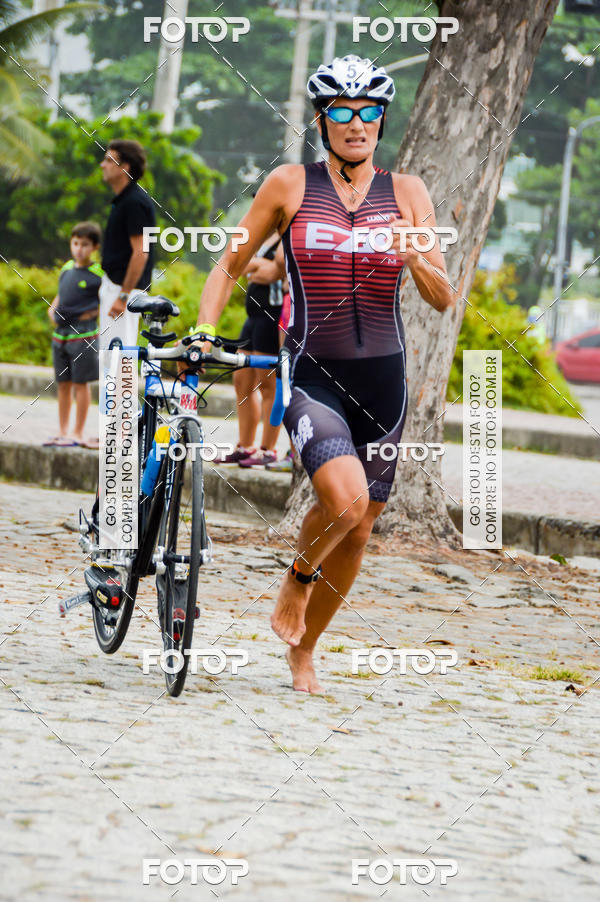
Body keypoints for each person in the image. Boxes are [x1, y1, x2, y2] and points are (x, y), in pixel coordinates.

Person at [192, 55, 455, 692]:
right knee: (344, 500)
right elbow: (229, 264)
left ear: (381, 120)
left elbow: (444, 296)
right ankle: (297, 577)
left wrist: (414, 257)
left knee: (362, 530)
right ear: (322, 119)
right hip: (312, 371)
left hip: (385, 383)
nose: (356, 122)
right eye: (342, 110)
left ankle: (304, 652)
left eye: (368, 111)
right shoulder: (288, 184)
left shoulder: (409, 192)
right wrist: (204, 329)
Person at [219, 233, 284, 467]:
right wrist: (256, 266)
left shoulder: (285, 236)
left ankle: (268, 449)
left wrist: (256, 268)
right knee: (241, 380)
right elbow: (244, 267)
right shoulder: (261, 239)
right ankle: (245, 445)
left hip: (271, 316)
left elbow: (276, 273)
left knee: (268, 384)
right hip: (252, 317)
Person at [45, 222, 103, 448]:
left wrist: (91, 313)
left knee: (80, 384)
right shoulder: (66, 269)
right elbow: (61, 295)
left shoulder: (98, 273)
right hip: (61, 335)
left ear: (95, 247)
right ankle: (62, 430)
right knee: (63, 384)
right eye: (76, 243)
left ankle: (78, 432)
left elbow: (107, 301)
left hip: (84, 336)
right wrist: (52, 309)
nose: (79, 249)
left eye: (85, 244)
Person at [99, 139, 155, 349]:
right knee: (110, 356)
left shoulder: (134, 202)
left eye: (108, 160)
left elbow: (141, 252)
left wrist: (123, 296)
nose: (102, 165)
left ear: (125, 167)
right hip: (116, 287)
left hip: (125, 290)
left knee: (120, 357)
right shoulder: (123, 201)